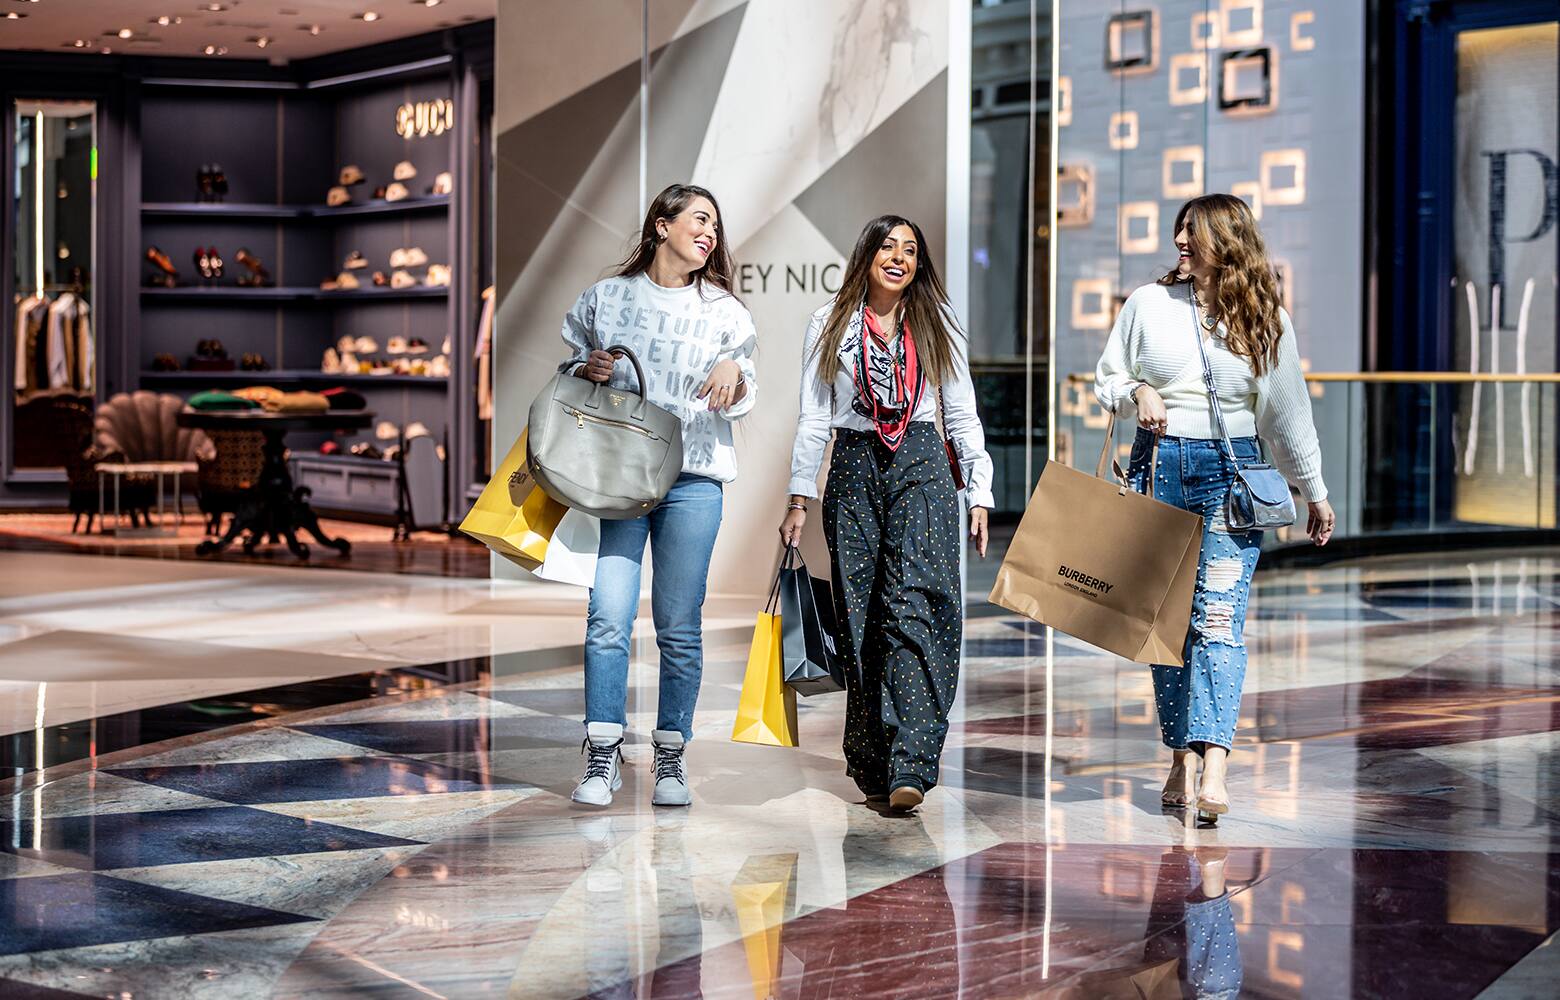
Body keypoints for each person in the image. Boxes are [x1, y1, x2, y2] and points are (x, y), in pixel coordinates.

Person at [1095, 192, 1335, 824]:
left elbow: (1288, 410)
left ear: (1227, 242)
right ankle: (1179, 755)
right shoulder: (1148, 304)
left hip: (1230, 477)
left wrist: (1314, 488)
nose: (1180, 240)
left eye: (1193, 232)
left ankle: (1216, 763)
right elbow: (1106, 377)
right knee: (1166, 624)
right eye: (1178, 229)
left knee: (1219, 621)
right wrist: (1138, 390)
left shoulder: (1265, 317)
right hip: (1158, 468)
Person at [780, 214, 993, 813]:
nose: (899, 257)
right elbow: (813, 415)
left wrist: (978, 489)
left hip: (922, 460)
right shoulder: (829, 323)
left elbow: (962, 411)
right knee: (859, 609)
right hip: (851, 465)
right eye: (887, 246)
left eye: (910, 249)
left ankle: (913, 761)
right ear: (866, 254)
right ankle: (872, 756)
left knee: (916, 602)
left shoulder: (937, 322)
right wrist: (800, 497)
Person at [562, 183, 758, 808]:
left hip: (695, 481)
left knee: (679, 626)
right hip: (620, 480)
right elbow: (568, 368)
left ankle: (671, 757)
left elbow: (746, 391)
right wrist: (584, 368)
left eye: (715, 226)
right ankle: (602, 755)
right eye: (699, 219)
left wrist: (736, 373)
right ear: (661, 225)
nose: (709, 233)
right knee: (608, 618)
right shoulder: (607, 298)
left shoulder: (726, 311)